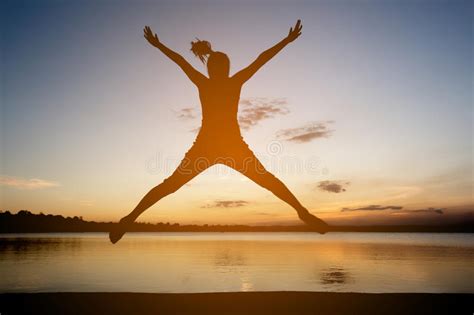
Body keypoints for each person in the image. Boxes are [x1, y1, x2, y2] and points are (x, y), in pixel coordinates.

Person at [109, 20, 329, 244]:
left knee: (172, 186)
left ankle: (130, 218)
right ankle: (301, 211)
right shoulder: (230, 82)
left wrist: (159, 45)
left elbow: (185, 62)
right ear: (220, 68)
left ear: (219, 68)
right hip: (224, 147)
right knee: (266, 181)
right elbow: (257, 60)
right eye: (217, 67)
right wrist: (286, 41)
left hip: (215, 147)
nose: (217, 70)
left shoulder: (208, 83)